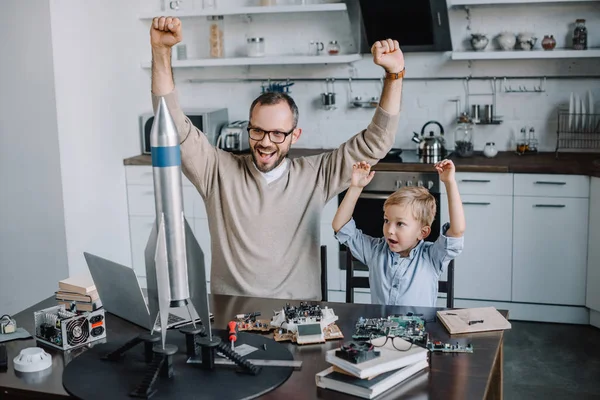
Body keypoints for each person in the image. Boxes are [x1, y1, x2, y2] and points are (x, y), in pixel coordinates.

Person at [149, 16, 405, 300]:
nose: (265, 143)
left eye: (277, 134)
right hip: (231, 315)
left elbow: (376, 141)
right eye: (257, 131)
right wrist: (161, 52)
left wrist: (395, 76)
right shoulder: (217, 171)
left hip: (298, 318)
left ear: (295, 136)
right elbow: (171, 125)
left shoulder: (316, 175)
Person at [332, 160, 465, 307]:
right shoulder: (375, 251)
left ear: (423, 232)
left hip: (421, 329)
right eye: (386, 220)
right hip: (380, 329)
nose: (389, 230)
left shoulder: (431, 257)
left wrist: (450, 182)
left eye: (400, 224)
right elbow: (341, 226)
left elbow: (457, 230)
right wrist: (355, 187)